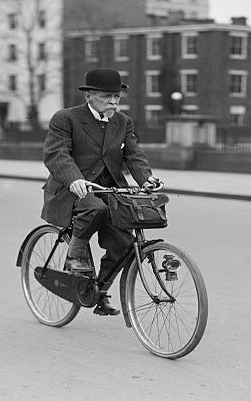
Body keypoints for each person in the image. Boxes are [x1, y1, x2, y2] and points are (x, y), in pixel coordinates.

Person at [41, 67, 163, 315]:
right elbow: (57, 154)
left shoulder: (123, 122)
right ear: (89, 96)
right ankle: (74, 256)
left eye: (116, 96)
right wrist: (74, 179)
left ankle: (97, 290)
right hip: (70, 190)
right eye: (106, 96)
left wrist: (147, 179)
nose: (113, 102)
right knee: (94, 207)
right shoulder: (66, 118)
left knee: (123, 242)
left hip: (109, 192)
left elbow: (133, 155)